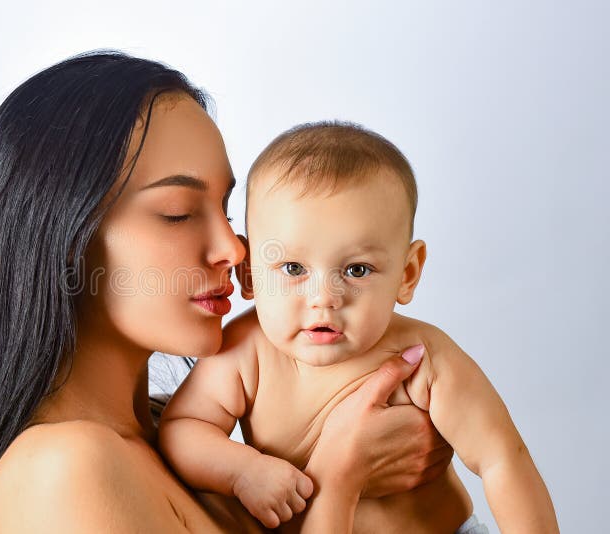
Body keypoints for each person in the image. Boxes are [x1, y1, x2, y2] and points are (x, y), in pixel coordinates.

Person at [0, 51, 455, 534]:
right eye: (178, 213)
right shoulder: (62, 471)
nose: (236, 249)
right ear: (65, 238)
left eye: (226, 209)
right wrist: (341, 476)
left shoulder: (192, 443)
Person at [159, 122, 560, 533]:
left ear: (407, 273)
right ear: (248, 274)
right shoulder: (245, 353)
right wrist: (242, 471)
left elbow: (501, 457)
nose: (325, 297)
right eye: (293, 268)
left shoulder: (423, 357)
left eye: (356, 269)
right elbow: (183, 430)